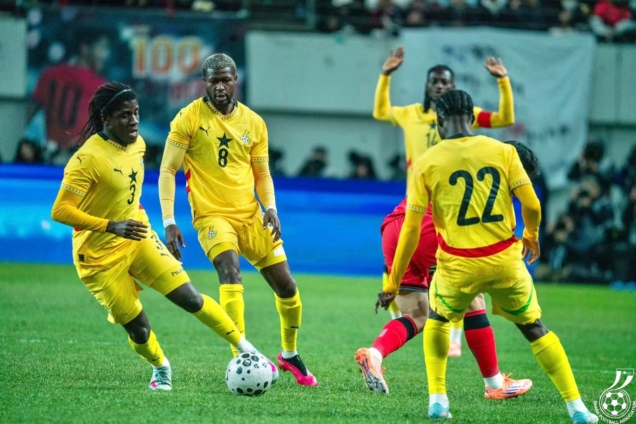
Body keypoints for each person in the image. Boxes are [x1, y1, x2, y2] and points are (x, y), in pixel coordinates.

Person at [388, 89, 598, 423]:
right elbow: (532, 204)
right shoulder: (503, 151)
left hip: (457, 265)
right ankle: (578, 409)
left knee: (438, 320)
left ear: (439, 121)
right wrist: (531, 236)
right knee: (534, 327)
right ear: (473, 117)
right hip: (504, 261)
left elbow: (411, 230)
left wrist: (393, 280)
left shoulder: (426, 162)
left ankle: (438, 401)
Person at [51, 82, 269, 391]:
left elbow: (126, 193)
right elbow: (60, 210)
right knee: (139, 330)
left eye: (136, 113)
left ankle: (248, 351)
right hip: (98, 257)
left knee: (191, 298)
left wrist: (137, 221)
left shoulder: (138, 144)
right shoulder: (87, 159)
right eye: (125, 115)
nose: (134, 121)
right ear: (105, 118)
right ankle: (160, 366)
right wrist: (111, 226)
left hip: (137, 236)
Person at [158, 54, 317, 387]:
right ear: (204, 82)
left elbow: (262, 173)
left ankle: (289, 354)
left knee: (287, 287)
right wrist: (169, 219)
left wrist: (270, 207)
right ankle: (241, 357)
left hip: (250, 215)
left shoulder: (254, 123)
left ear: (235, 81)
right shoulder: (188, 118)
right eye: (213, 80)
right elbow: (168, 169)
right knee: (230, 272)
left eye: (226, 80)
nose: (220, 86)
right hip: (212, 216)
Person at [355, 140, 537, 398]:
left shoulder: (466, 157)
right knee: (473, 298)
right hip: (428, 228)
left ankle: (374, 354)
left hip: (395, 225)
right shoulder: (492, 181)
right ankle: (496, 384)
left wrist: (391, 284)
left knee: (417, 314)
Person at [372, 46, 515, 357]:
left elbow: (505, 118)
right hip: (418, 205)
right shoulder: (412, 114)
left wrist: (503, 81)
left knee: (434, 279)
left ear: (452, 86)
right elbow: (381, 112)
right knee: (460, 280)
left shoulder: (462, 115)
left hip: (444, 209)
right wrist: (386, 75)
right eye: (434, 81)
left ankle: (449, 338)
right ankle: (474, 366)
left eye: (444, 82)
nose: (439, 86)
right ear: (427, 85)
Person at [29, 30, 111, 164]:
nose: (105, 55)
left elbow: (26, 116)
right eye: (102, 48)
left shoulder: (49, 75)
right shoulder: (99, 86)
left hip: (51, 159)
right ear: (84, 48)